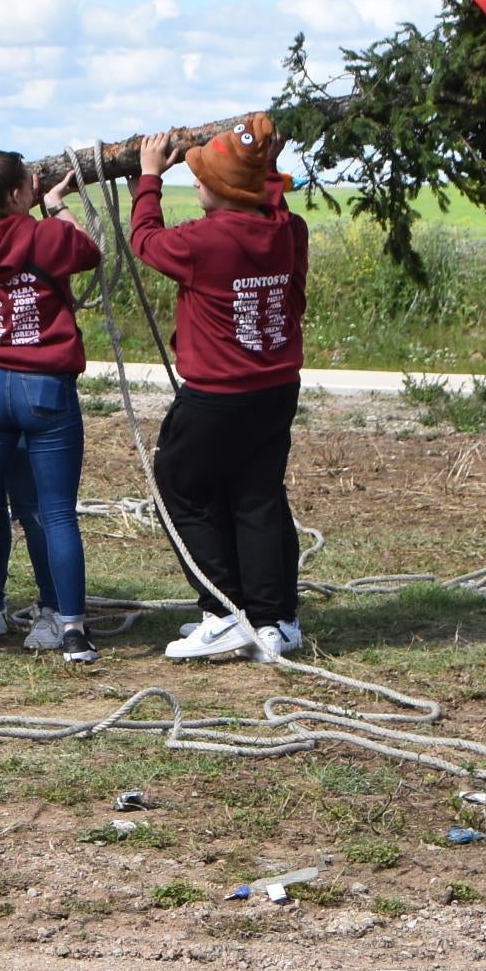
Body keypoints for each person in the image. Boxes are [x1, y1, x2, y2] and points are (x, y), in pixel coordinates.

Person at [133, 118, 309, 665]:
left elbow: (144, 240)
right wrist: (262, 160)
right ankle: (274, 620)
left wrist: (148, 176)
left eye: (202, 177)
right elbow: (272, 204)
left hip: (216, 394)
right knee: (258, 497)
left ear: (220, 191)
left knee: (178, 488)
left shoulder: (203, 241)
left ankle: (222, 612)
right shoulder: (288, 231)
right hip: (276, 387)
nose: (197, 184)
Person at [0, 142, 98, 660]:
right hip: (46, 388)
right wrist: (55, 204)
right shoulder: (48, 237)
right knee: (56, 513)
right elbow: (91, 250)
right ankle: (71, 629)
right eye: (28, 183)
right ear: (15, 194)